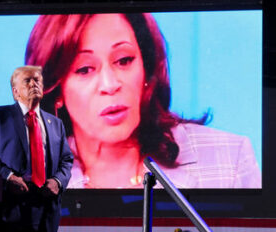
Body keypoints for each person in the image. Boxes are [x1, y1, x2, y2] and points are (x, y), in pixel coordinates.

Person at [25, 13, 261, 189]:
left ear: (147, 70)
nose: (110, 84)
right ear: (56, 92)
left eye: (124, 60)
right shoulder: (32, 174)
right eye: (85, 69)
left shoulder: (229, 158)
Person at [0, 65, 73, 232]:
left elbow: (66, 160)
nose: (34, 84)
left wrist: (58, 181)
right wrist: (8, 177)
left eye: (38, 80)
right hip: (9, 209)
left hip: (45, 212)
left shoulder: (56, 124)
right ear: (15, 91)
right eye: (28, 80)